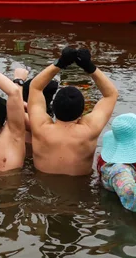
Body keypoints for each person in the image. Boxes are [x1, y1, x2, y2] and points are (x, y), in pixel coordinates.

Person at [27, 46, 118, 176]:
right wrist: (90, 67)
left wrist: (59, 63)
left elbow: (35, 87)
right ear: (83, 112)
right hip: (81, 189)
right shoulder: (89, 130)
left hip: (42, 185)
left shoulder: (40, 128)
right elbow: (111, 94)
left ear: (52, 107)